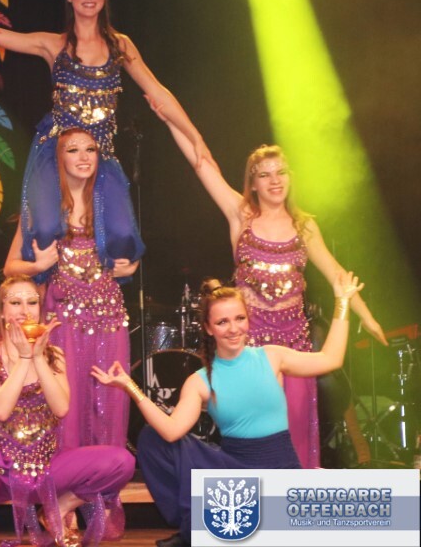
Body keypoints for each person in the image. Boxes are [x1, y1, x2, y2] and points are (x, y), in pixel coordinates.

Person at [156, 116, 385, 467]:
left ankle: (293, 495)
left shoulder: (305, 226)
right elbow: (203, 164)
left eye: (281, 172)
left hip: (293, 342)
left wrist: (368, 318)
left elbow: (338, 275)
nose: (275, 180)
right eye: (264, 174)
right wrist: (171, 118)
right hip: (250, 345)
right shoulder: (241, 215)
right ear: (253, 183)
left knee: (295, 426)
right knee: (257, 430)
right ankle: (256, 493)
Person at [92, 274, 363, 547]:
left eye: (239, 318)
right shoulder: (199, 381)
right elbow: (171, 432)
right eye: (222, 322)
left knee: (366, 512)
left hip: (280, 469)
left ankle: (213, 526)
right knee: (152, 438)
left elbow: (330, 359)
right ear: (209, 328)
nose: (233, 329)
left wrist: (342, 301)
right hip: (235, 473)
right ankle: (200, 523)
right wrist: (130, 386)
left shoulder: (272, 356)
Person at [0, 0, 209, 281]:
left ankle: (96, 300)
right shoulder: (54, 44)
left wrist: (196, 137)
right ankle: (45, 294)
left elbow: (157, 91)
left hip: (99, 154)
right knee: (45, 230)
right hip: (57, 153)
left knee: (121, 237)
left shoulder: (119, 45)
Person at [0, 276, 135, 547]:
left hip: (48, 466)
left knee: (121, 461)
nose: (25, 310)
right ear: (2, 311)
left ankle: (56, 511)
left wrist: (37, 356)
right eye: (15, 303)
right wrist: (24, 359)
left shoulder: (54, 356)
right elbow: (1, 410)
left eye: (32, 302)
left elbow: (61, 408)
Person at [3, 128, 137, 541]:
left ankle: (92, 504)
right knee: (68, 413)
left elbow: (130, 258)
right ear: (58, 158)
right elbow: (10, 267)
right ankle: (60, 507)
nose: (83, 157)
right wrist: (37, 264)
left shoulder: (109, 205)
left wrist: (130, 266)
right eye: (73, 150)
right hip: (64, 321)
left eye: (90, 149)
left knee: (109, 410)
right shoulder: (44, 209)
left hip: (109, 320)